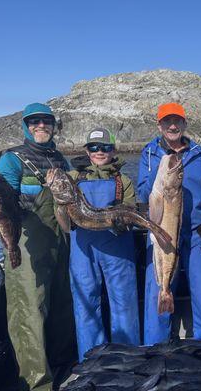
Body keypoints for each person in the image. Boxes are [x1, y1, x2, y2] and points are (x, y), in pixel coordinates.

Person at [0, 103, 76, 390]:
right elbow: (5, 198)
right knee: (29, 312)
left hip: (59, 243)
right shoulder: (12, 159)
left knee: (61, 304)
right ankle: (38, 382)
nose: (40, 126)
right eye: (34, 122)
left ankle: (65, 365)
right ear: (25, 126)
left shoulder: (61, 159)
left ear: (53, 125)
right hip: (25, 245)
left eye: (46, 122)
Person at [137, 102, 201, 345]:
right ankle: (156, 346)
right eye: (167, 121)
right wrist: (162, 169)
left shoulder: (199, 153)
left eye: (177, 121)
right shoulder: (149, 154)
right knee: (157, 289)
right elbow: (143, 193)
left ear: (184, 124)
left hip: (196, 233)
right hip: (162, 232)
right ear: (159, 125)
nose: (172, 126)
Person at [67, 128, 140, 361]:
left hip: (117, 247)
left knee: (123, 302)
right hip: (82, 249)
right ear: (87, 151)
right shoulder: (72, 178)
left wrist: (122, 222)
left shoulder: (123, 181)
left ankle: (127, 359)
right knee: (85, 303)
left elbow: (129, 211)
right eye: (94, 147)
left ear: (113, 150)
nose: (100, 152)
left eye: (105, 148)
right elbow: (62, 216)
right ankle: (91, 360)